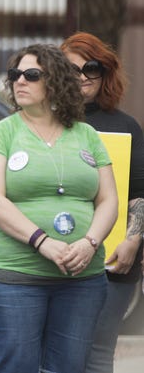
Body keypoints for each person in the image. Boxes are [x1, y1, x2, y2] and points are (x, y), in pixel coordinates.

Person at [0, 43, 119, 373]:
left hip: (82, 278)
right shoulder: (0, 133)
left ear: (57, 81)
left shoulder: (87, 135)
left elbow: (108, 200)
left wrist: (89, 241)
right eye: (15, 75)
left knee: (68, 368)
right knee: (16, 367)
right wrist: (43, 241)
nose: (19, 81)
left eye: (32, 75)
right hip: (14, 277)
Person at [61, 32, 144, 373]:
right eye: (71, 69)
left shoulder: (125, 126)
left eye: (90, 67)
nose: (81, 76)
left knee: (96, 354)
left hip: (112, 260)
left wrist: (133, 239)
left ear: (105, 71)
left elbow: (139, 192)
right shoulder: (41, 123)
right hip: (51, 256)